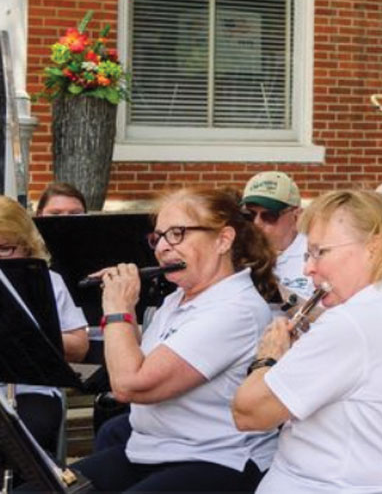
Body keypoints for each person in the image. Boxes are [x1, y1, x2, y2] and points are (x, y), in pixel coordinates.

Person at [232, 189, 382, 493]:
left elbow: (248, 414)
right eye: (307, 254)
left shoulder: (353, 323)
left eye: (320, 252)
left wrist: (268, 357)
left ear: (374, 247)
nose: (308, 268)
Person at [66, 188, 278, 492]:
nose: (163, 248)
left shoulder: (236, 310)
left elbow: (130, 385)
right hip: (150, 449)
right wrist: (123, 310)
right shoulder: (175, 300)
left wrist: (118, 309)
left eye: (177, 234)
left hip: (215, 459)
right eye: (158, 237)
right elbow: (136, 361)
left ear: (223, 239)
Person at [0, 197, 89, 457]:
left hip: (30, 391)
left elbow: (79, 347)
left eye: (5, 248)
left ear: (27, 247)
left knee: (20, 442)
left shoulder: (49, 282)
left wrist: (24, 333)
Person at [241, 171, 312, 305]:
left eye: (269, 216)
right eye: (249, 215)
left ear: (296, 216)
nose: (256, 223)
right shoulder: (236, 251)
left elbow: (328, 317)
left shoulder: (315, 257)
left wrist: (277, 293)